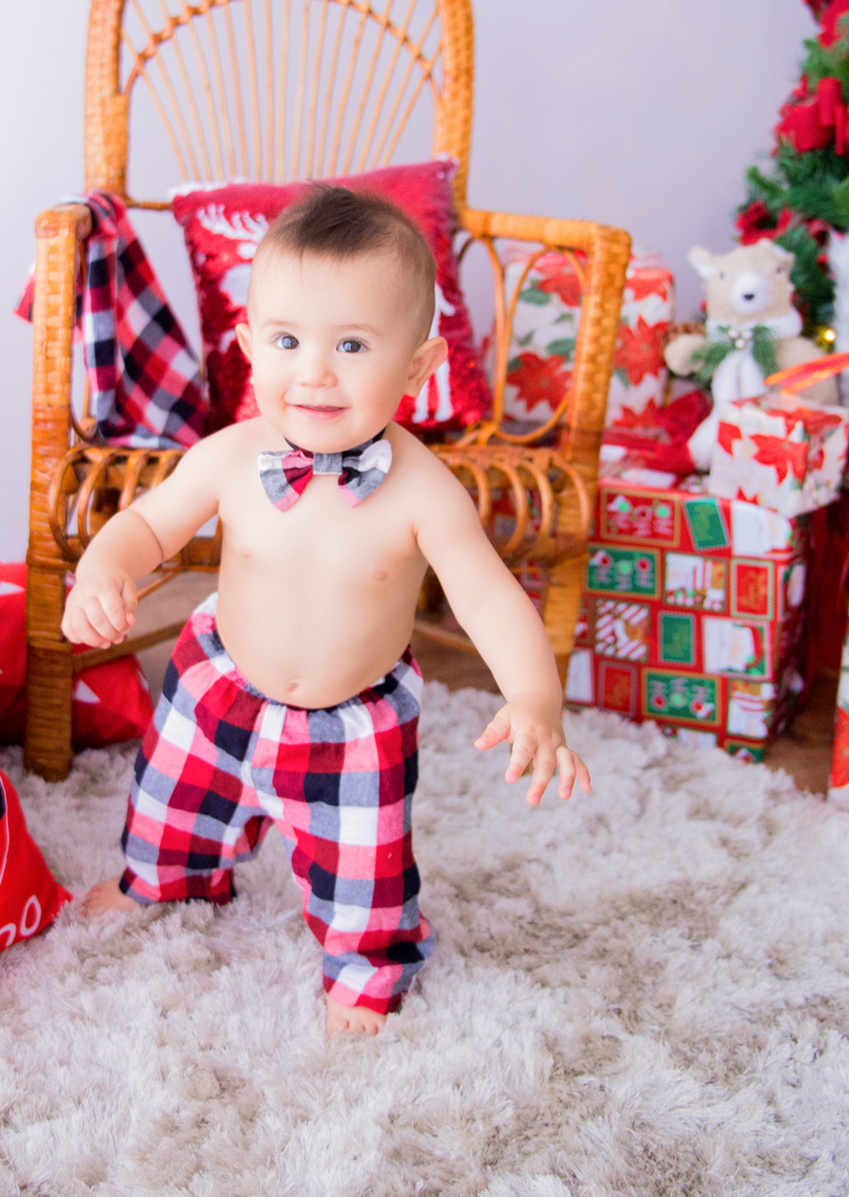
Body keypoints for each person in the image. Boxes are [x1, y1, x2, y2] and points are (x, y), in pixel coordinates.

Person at [63, 186, 592, 1036]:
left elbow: (489, 596)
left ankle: (366, 963)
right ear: (246, 347)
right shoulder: (231, 456)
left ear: (417, 369)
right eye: (286, 341)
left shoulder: (424, 490)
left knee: (364, 870)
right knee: (171, 803)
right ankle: (159, 880)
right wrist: (103, 572)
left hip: (349, 728)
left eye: (351, 344)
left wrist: (535, 698)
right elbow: (144, 525)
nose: (313, 371)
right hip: (216, 689)